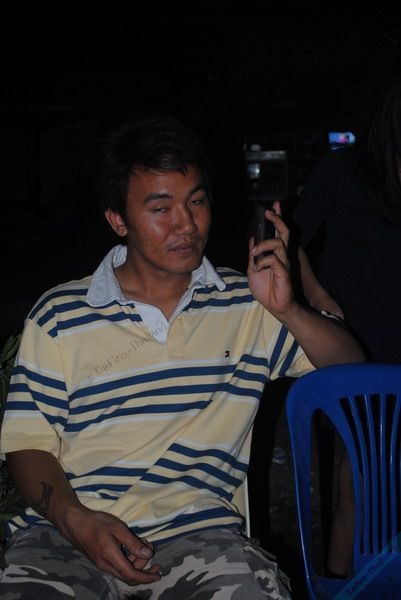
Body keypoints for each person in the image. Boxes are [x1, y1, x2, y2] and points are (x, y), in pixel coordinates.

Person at [0, 112, 363, 599]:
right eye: (161, 208)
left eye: (196, 201)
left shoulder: (246, 303)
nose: (186, 225)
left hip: (199, 538)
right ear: (117, 219)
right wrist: (77, 521)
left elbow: (351, 371)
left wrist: (288, 309)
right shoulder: (61, 315)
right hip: (67, 537)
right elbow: (27, 445)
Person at [292, 70, 401, 576]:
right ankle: (340, 584)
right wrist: (316, 294)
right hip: (358, 351)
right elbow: (286, 237)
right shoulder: (346, 171)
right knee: (361, 481)